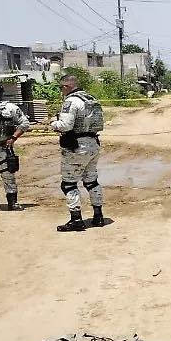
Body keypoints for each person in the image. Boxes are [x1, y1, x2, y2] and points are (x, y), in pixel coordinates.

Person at [50, 74, 106, 232]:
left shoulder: (71, 101)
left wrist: (53, 124)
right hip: (93, 143)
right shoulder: (91, 99)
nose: (61, 90)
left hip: (77, 147)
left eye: (61, 87)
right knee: (92, 181)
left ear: (67, 86)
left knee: (68, 184)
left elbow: (66, 125)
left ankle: (76, 220)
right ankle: (98, 216)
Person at [0, 83, 30, 211]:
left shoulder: (10, 108)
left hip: (3, 147)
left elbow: (24, 123)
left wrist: (13, 137)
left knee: (8, 175)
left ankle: (12, 202)